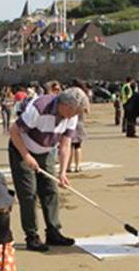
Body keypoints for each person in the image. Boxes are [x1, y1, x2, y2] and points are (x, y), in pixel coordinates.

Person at [7, 86, 88, 252]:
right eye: (74, 111)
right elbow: (14, 131)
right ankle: (32, 236)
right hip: (22, 148)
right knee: (28, 193)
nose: (74, 116)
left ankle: (53, 232)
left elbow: (65, 145)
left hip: (46, 151)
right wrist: (26, 156)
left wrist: (63, 172)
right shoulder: (40, 107)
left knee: (51, 190)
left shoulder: (71, 116)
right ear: (65, 105)